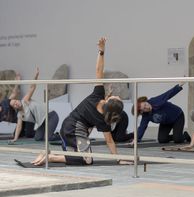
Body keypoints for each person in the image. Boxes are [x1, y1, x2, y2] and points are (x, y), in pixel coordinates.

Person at [32, 37, 131, 166]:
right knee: (86, 160)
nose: (116, 96)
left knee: (80, 158)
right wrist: (118, 158)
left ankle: (52, 154)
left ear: (108, 101)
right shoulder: (104, 116)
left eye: (115, 97)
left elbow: (98, 71)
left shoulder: (98, 95)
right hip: (71, 130)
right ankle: (51, 157)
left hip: (68, 128)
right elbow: (110, 141)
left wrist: (101, 51)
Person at [9, 67, 60, 143]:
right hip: (42, 122)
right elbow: (19, 127)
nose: (16, 103)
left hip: (51, 115)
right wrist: (15, 139)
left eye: (16, 101)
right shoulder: (20, 115)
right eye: (14, 104)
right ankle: (50, 134)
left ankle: (61, 135)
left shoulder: (25, 100)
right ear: (14, 108)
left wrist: (36, 76)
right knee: (38, 138)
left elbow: (32, 87)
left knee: (48, 138)